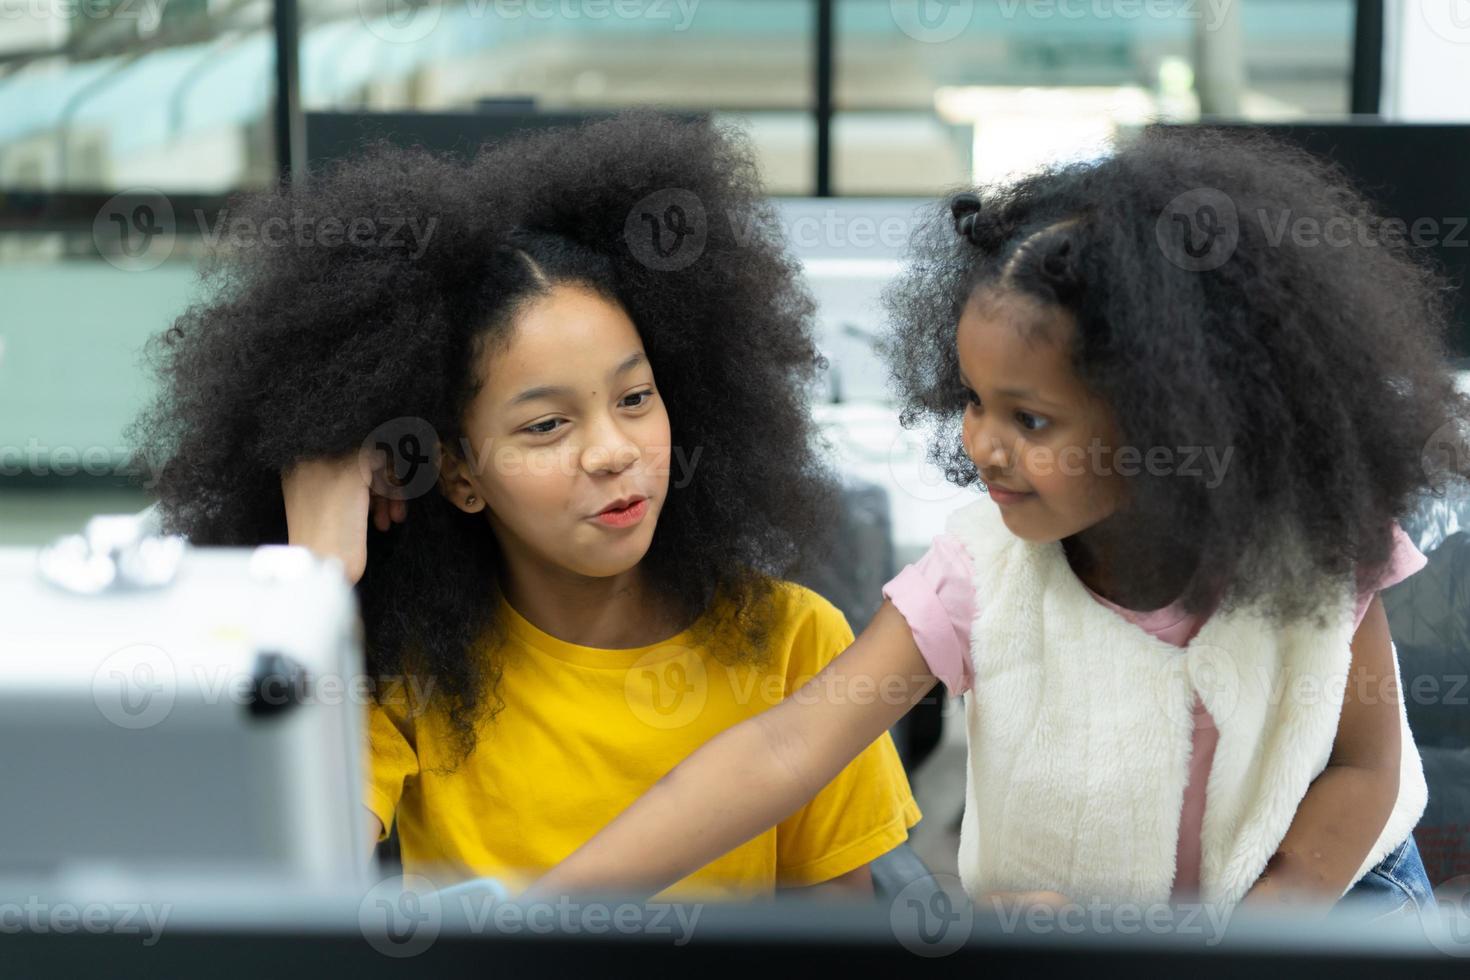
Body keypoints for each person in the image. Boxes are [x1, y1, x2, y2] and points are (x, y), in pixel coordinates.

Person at [527, 126, 1470, 920]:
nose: (981, 442)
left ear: (1170, 417)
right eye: (972, 401)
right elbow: (784, 749)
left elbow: (1360, 768)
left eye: (1030, 419)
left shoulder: (1317, 549)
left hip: (1333, 904)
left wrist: (1242, 943)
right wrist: (555, 910)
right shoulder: (976, 576)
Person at [127, 112, 921, 901]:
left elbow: (837, 939)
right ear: (460, 474)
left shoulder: (793, 640)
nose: (612, 450)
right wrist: (316, 576)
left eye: (636, 397)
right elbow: (267, 882)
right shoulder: (405, 671)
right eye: (547, 425)